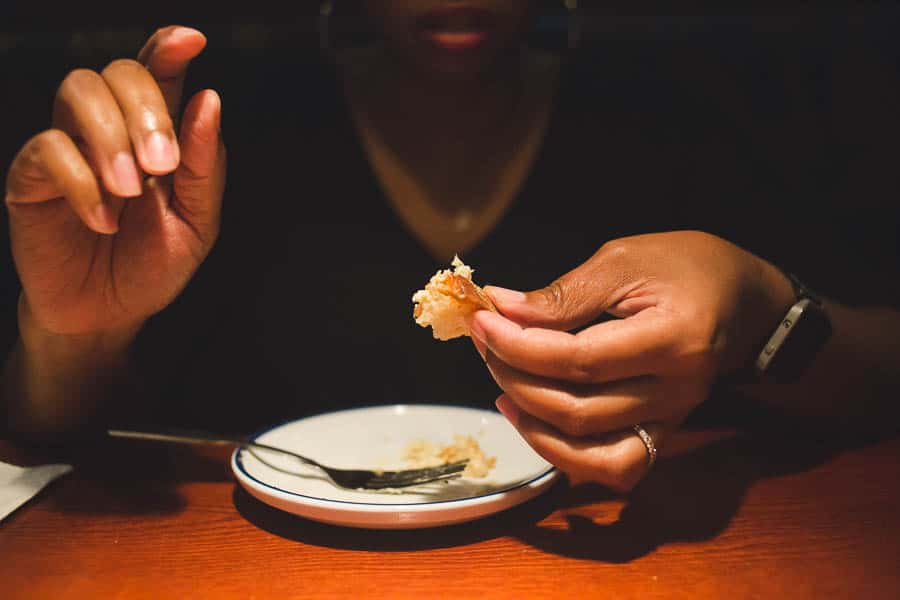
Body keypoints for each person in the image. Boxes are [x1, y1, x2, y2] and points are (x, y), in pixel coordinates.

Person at [3, 2, 899, 492]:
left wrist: (767, 311)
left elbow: (880, 378)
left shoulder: (679, 115)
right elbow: (63, 447)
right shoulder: (220, 132)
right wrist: (72, 340)